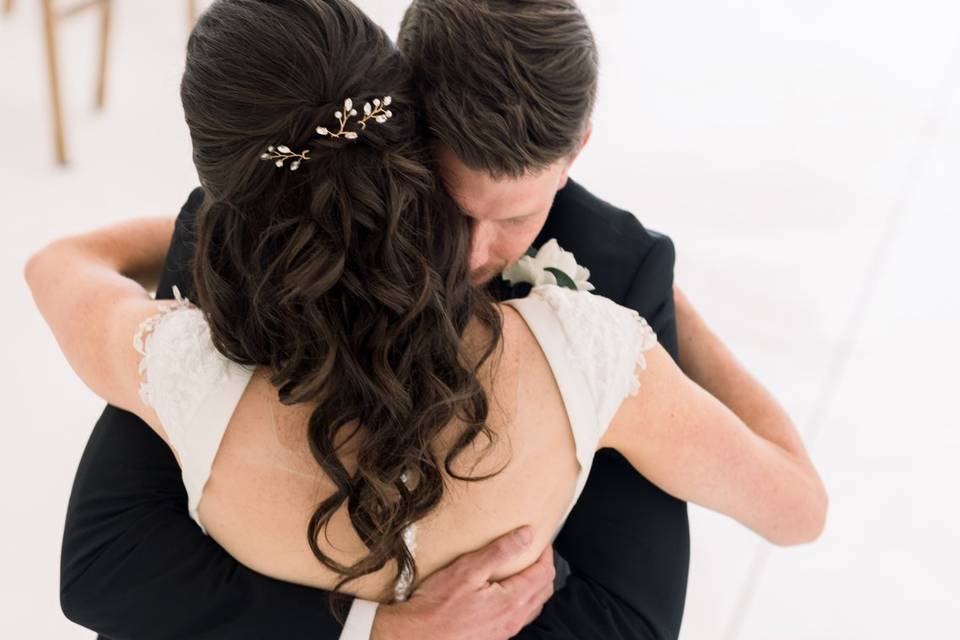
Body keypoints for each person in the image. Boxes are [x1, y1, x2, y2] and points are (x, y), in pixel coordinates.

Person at [37, 2, 828, 640]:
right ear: (407, 127)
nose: (478, 255)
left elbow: (629, 621)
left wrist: (669, 311)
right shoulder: (590, 353)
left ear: (577, 147)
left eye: (516, 215)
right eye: (450, 207)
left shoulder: (619, 278)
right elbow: (109, 570)